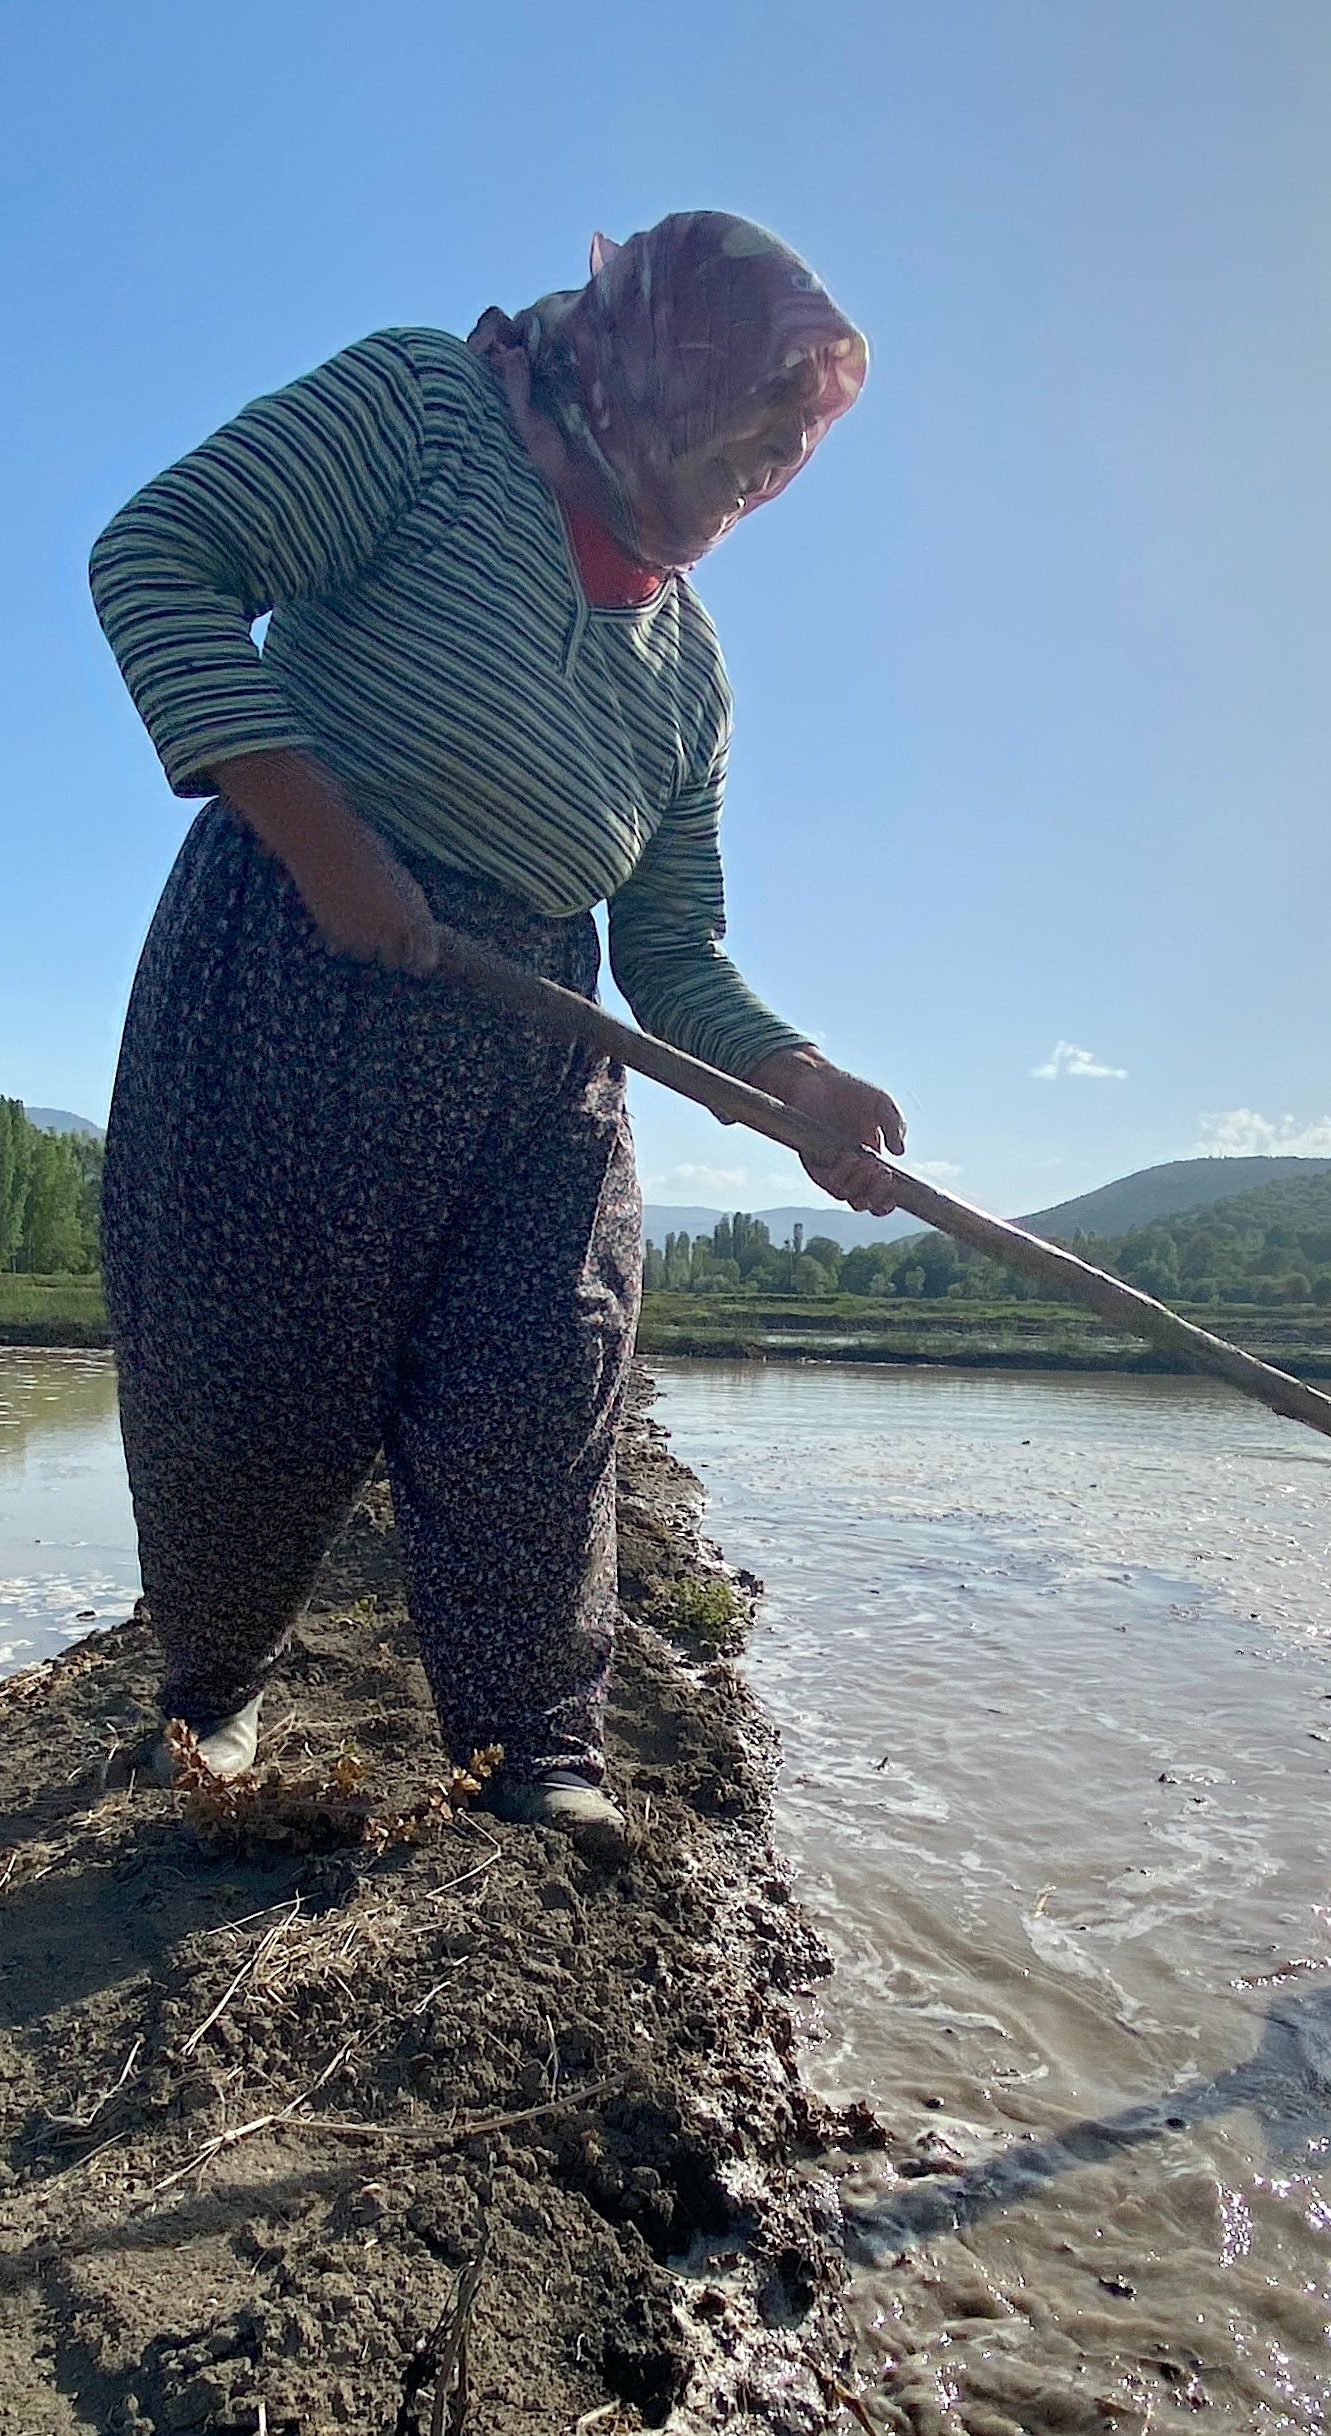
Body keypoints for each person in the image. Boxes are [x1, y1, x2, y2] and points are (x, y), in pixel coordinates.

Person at [85, 212, 895, 1858]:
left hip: (536, 1046)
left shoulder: (689, 666)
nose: (754, 477)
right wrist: (326, 844)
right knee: (248, 1391)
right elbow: (160, 559)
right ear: (661, 363)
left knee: (545, 1375)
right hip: (293, 963)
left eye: (782, 458)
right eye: (747, 428)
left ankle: (535, 1742)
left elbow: (669, 948)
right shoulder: (425, 411)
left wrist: (796, 1080)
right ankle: (217, 1678)